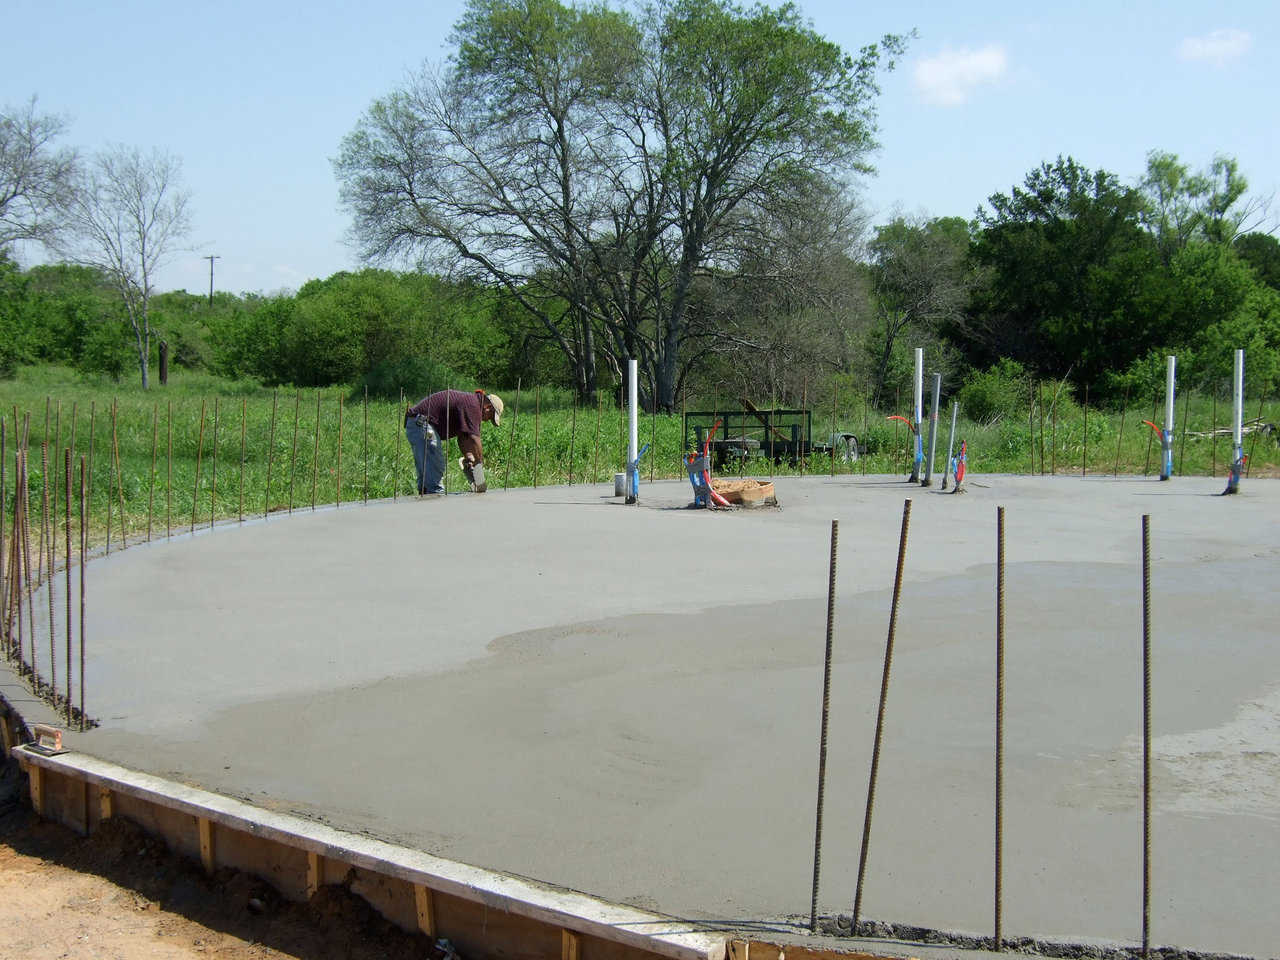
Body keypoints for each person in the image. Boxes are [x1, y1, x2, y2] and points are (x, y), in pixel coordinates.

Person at [404, 389, 503, 494]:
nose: (486, 420)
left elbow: (463, 438)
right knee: (435, 475)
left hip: (418, 424)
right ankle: (435, 503)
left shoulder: (470, 403)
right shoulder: (473, 405)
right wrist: (478, 465)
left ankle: (426, 498)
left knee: (428, 477)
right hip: (423, 424)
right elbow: (474, 439)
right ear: (488, 408)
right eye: (490, 417)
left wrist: (469, 456)